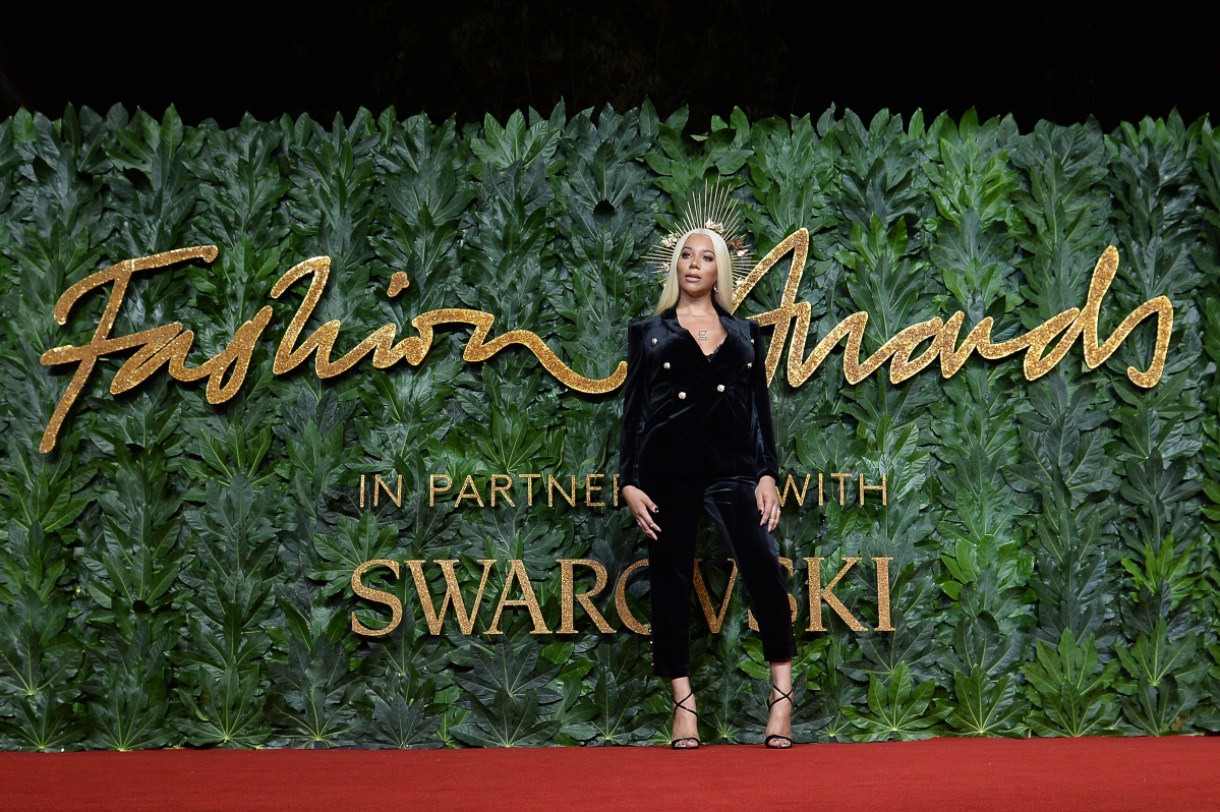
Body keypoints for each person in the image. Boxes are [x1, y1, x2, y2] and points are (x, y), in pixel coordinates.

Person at [619, 226, 798, 750]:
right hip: (664, 472)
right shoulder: (649, 332)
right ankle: (683, 706)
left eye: (705, 257)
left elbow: (759, 413)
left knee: (763, 567)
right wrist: (629, 482)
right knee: (670, 584)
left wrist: (766, 473)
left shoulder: (744, 334)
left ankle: (782, 697)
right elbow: (631, 417)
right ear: (675, 266)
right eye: (685, 256)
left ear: (720, 269)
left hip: (733, 469)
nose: (693, 264)